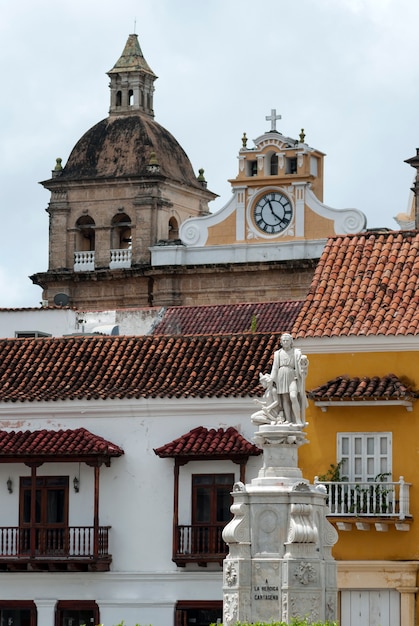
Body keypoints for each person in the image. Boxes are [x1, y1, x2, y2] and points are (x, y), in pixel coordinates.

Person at [269, 333, 309, 425]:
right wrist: (271, 379)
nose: (285, 342)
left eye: (287, 340)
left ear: (291, 342)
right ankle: (288, 419)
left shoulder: (296, 352)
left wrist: (303, 366)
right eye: (284, 340)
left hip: (292, 375)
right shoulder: (278, 353)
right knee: (285, 399)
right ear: (281, 342)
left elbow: (301, 364)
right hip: (281, 376)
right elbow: (275, 368)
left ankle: (298, 419)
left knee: (293, 396)